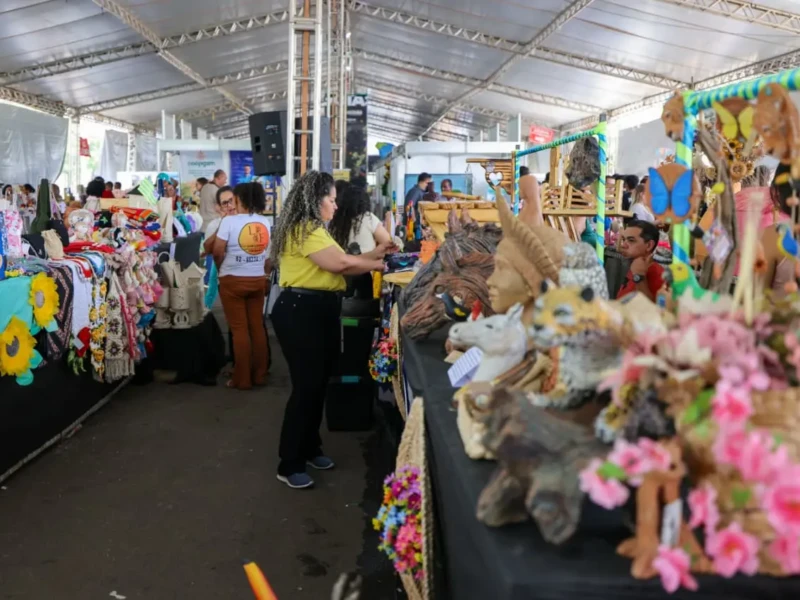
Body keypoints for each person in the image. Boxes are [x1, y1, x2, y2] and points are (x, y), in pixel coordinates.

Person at [270, 171, 393, 489]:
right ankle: (290, 461)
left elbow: (343, 259)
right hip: (300, 311)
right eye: (331, 200)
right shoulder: (305, 230)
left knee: (319, 382)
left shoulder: (315, 229)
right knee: (306, 387)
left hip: (319, 308)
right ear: (316, 200)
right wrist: (378, 265)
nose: (336, 207)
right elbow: (340, 266)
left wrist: (375, 255)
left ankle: (310, 448)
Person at [211, 182, 271, 390]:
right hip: (257, 280)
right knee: (257, 328)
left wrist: (221, 269)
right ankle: (260, 374)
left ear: (240, 199)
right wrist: (262, 274)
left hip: (232, 280)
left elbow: (218, 251)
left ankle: (242, 379)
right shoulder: (264, 221)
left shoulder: (229, 222)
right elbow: (269, 259)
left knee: (239, 330)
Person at [328, 184, 392, 253]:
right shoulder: (367, 217)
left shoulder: (335, 222)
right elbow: (389, 245)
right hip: (367, 262)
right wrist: (389, 223)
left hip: (343, 262)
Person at [616, 219, 664, 302]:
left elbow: (655, 310)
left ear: (649, 245)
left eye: (631, 240)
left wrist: (639, 277)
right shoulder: (634, 265)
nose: (623, 245)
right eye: (624, 239)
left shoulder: (658, 274)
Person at [203, 185, 236, 292]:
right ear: (220, 207)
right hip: (226, 278)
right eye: (225, 203)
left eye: (232, 200)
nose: (230, 206)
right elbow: (207, 249)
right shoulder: (214, 225)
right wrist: (223, 225)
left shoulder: (247, 221)